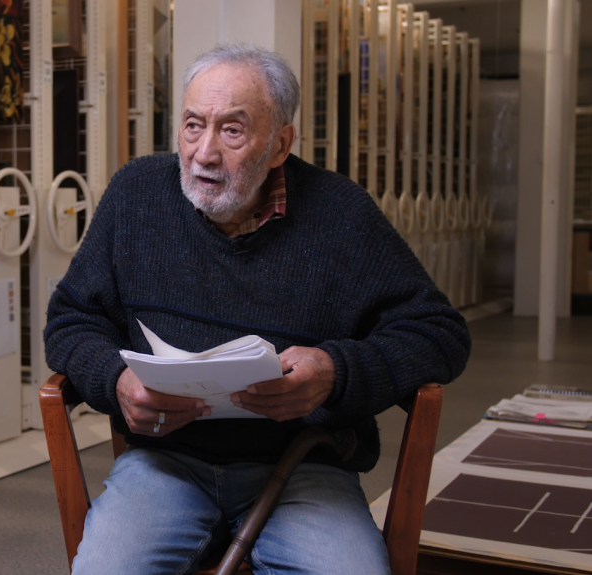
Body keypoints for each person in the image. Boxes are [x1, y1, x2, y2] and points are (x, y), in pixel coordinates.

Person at [45, 43, 470, 575]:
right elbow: (70, 321)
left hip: (302, 467)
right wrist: (115, 381)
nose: (203, 153)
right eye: (193, 125)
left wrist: (335, 372)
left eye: (232, 130)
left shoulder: (341, 214)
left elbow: (440, 334)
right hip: (167, 461)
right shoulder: (137, 194)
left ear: (279, 145)